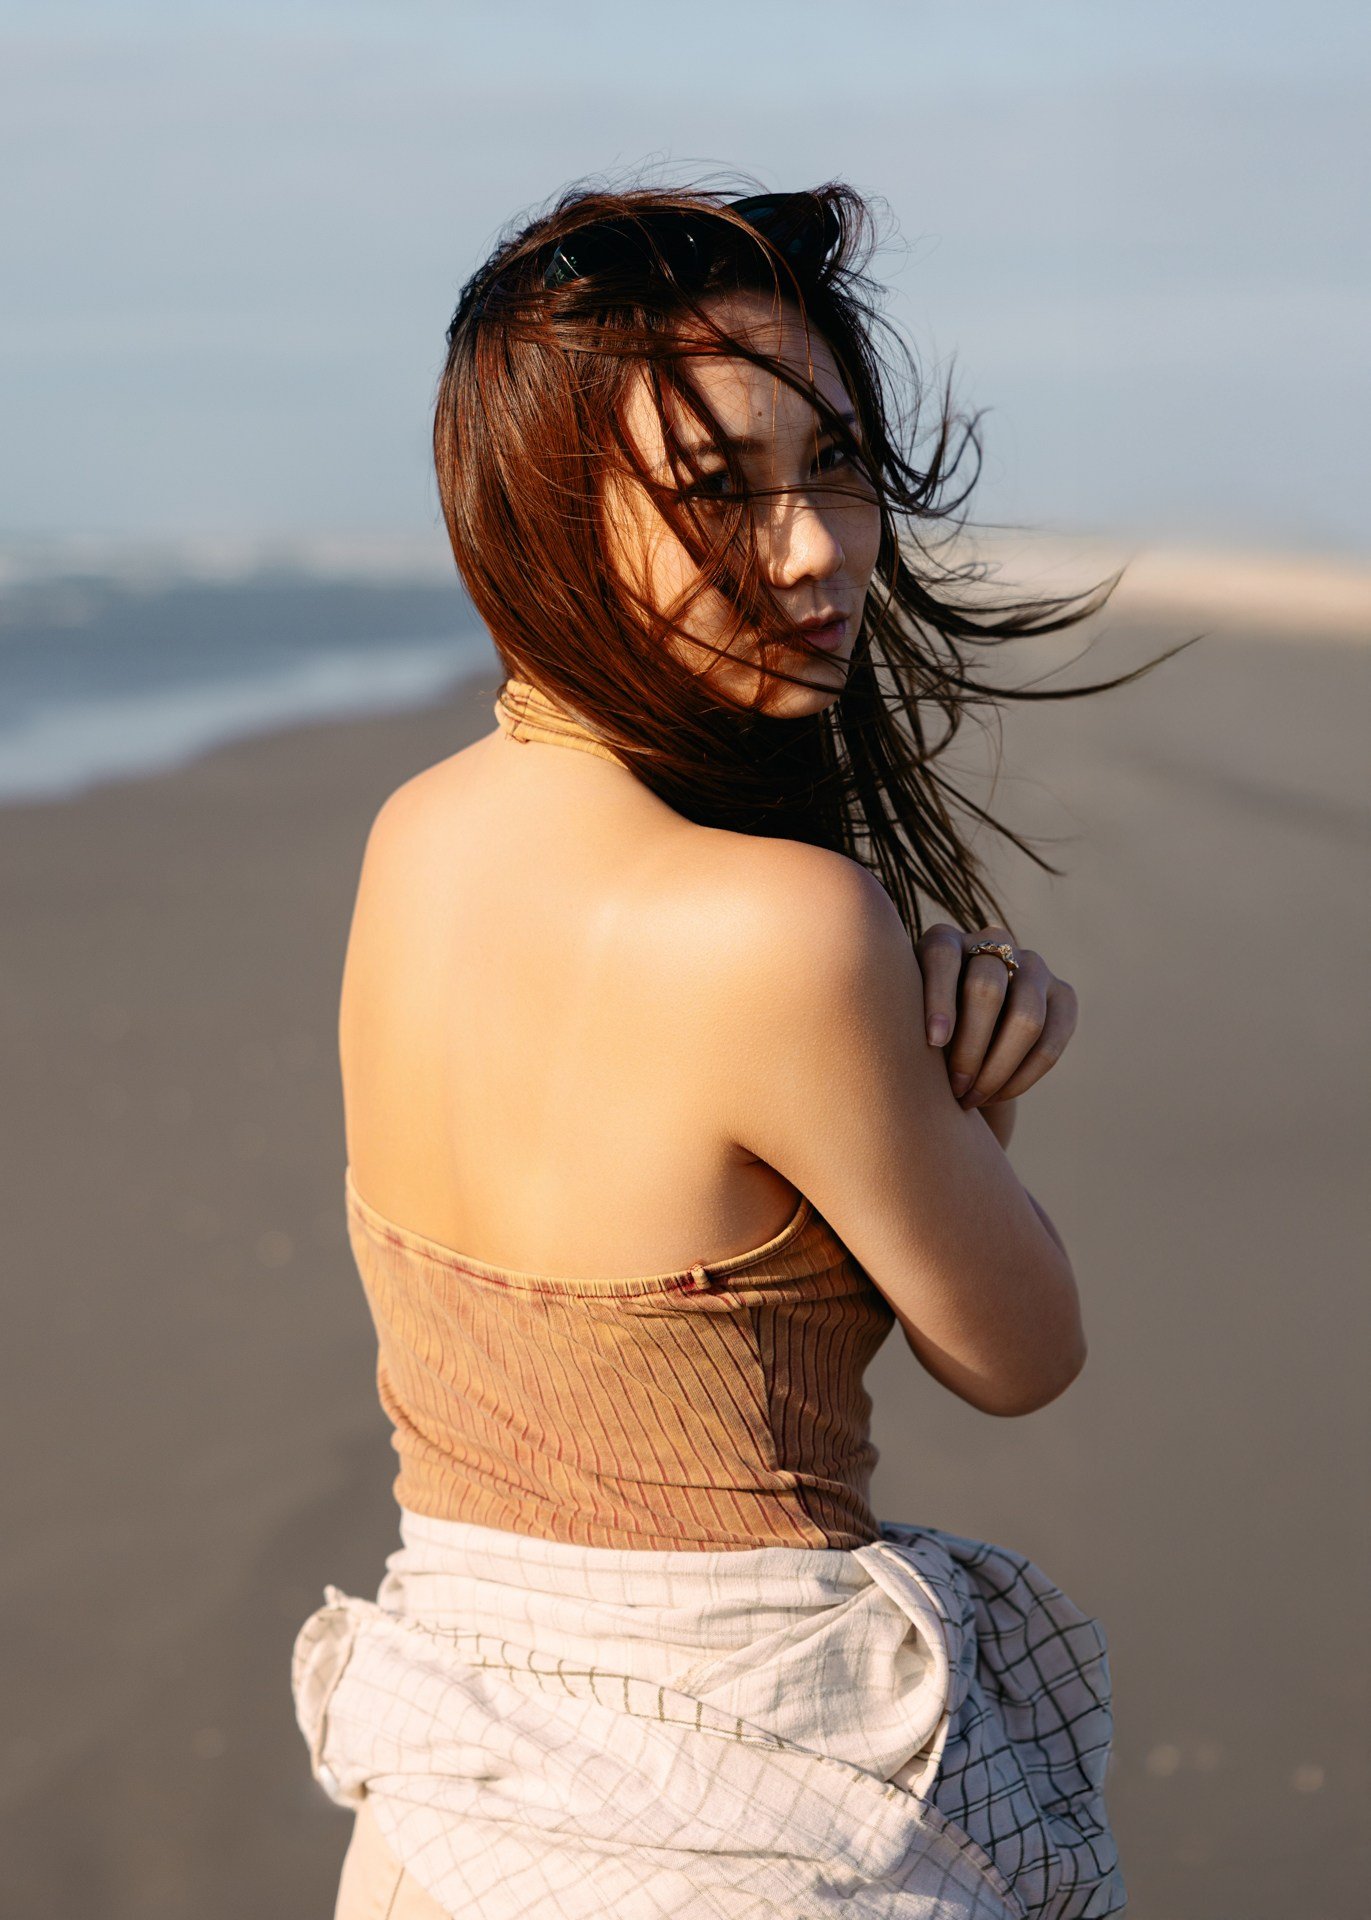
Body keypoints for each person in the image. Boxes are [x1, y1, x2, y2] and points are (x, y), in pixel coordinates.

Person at [293, 183, 1129, 1918]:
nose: (818, 545)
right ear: (543, 518)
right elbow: (1020, 1349)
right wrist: (969, 1096)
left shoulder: (412, 836)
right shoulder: (785, 932)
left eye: (833, 465)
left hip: (440, 1816)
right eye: (720, 491)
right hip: (732, 1823)